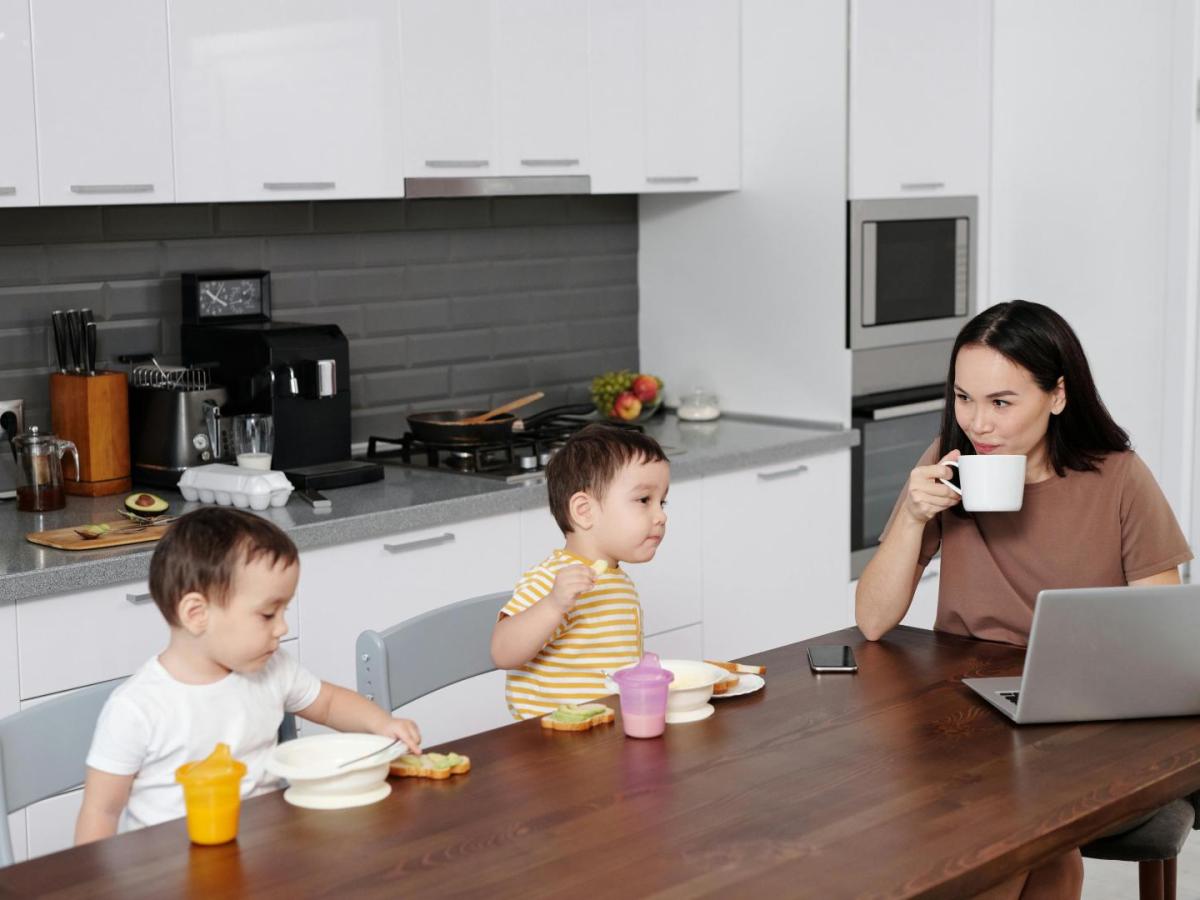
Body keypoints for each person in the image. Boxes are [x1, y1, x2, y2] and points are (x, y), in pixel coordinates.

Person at [856, 300, 1192, 899]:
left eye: (1001, 402)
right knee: (1030, 843)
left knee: (1010, 834)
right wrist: (911, 517)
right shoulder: (947, 465)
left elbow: (1160, 646)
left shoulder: (1118, 478)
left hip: (1087, 719)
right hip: (965, 711)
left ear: (1057, 396)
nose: (978, 424)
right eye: (964, 399)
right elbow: (874, 621)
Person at [75, 507, 422, 843]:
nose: (282, 627)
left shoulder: (273, 669)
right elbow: (101, 812)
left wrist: (381, 724)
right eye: (268, 614)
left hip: (264, 856)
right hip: (168, 876)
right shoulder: (137, 709)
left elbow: (329, 703)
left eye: (283, 610)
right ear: (197, 614)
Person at [491, 423, 669, 720]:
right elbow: (502, 652)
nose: (661, 516)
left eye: (662, 502)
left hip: (605, 734)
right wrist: (553, 604)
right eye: (643, 501)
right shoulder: (552, 580)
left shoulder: (617, 580)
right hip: (552, 743)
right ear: (584, 511)